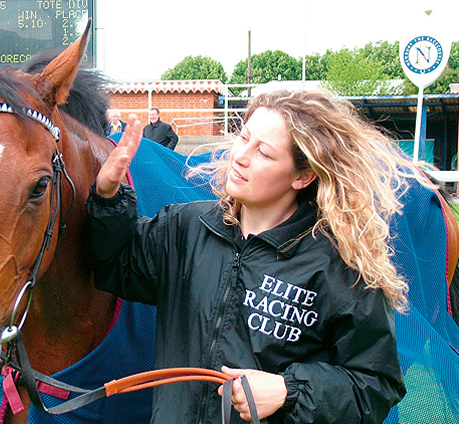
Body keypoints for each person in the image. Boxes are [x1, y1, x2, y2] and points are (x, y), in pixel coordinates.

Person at [86, 90, 432, 423]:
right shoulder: (186, 227)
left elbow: (375, 385)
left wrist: (288, 392)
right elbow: (114, 264)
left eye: (264, 152)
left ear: (303, 176)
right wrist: (107, 197)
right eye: (243, 137)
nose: (241, 156)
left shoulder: (339, 265)